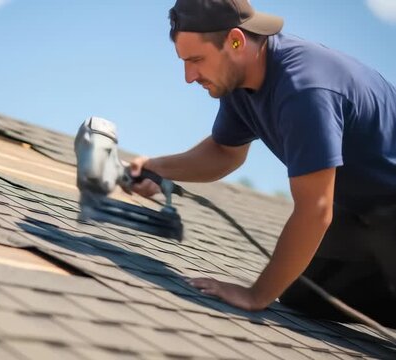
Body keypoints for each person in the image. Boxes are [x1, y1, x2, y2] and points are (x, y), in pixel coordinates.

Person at [130, 0, 396, 327]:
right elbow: (225, 153)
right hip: (367, 211)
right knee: (305, 294)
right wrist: (158, 168)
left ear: (237, 41)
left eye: (196, 60)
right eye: (185, 62)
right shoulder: (240, 80)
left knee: (277, 284)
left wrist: (255, 295)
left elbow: (316, 209)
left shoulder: (304, 88)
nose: (189, 76)